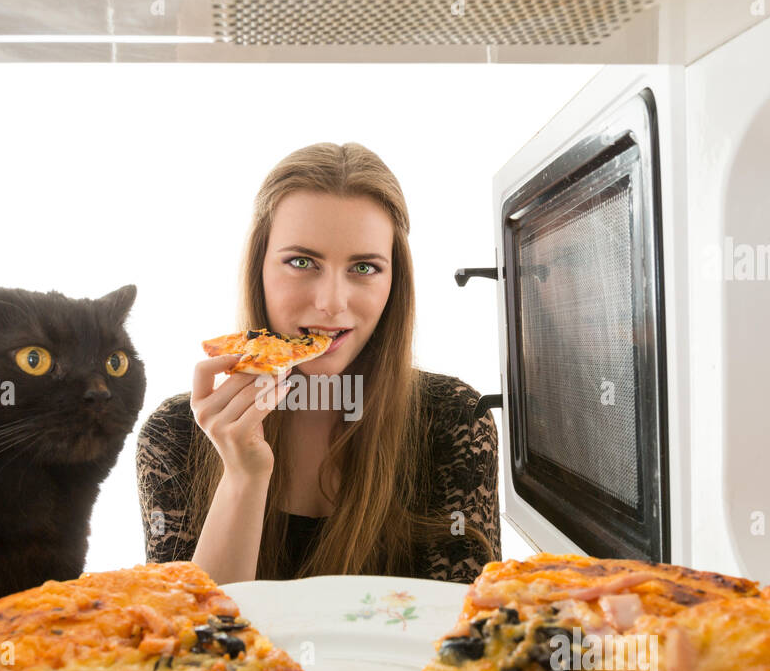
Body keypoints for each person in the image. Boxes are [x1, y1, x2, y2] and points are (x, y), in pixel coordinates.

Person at [135, 142, 500, 584]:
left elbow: (471, 630)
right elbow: (189, 641)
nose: (331, 303)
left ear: (394, 281)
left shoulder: (455, 419)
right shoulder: (172, 435)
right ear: (259, 270)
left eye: (364, 268)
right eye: (302, 262)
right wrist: (243, 479)